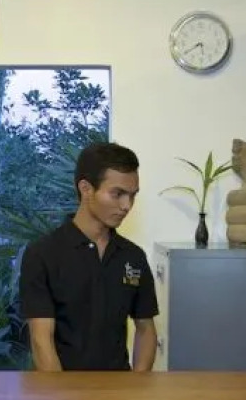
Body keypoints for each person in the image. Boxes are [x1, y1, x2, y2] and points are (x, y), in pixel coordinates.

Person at [19, 142, 159, 371]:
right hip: (61, 388)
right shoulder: (42, 254)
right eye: (117, 194)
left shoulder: (133, 257)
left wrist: (137, 384)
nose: (127, 206)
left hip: (119, 388)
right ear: (86, 188)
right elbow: (40, 339)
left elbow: (146, 329)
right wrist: (60, 390)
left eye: (132, 196)